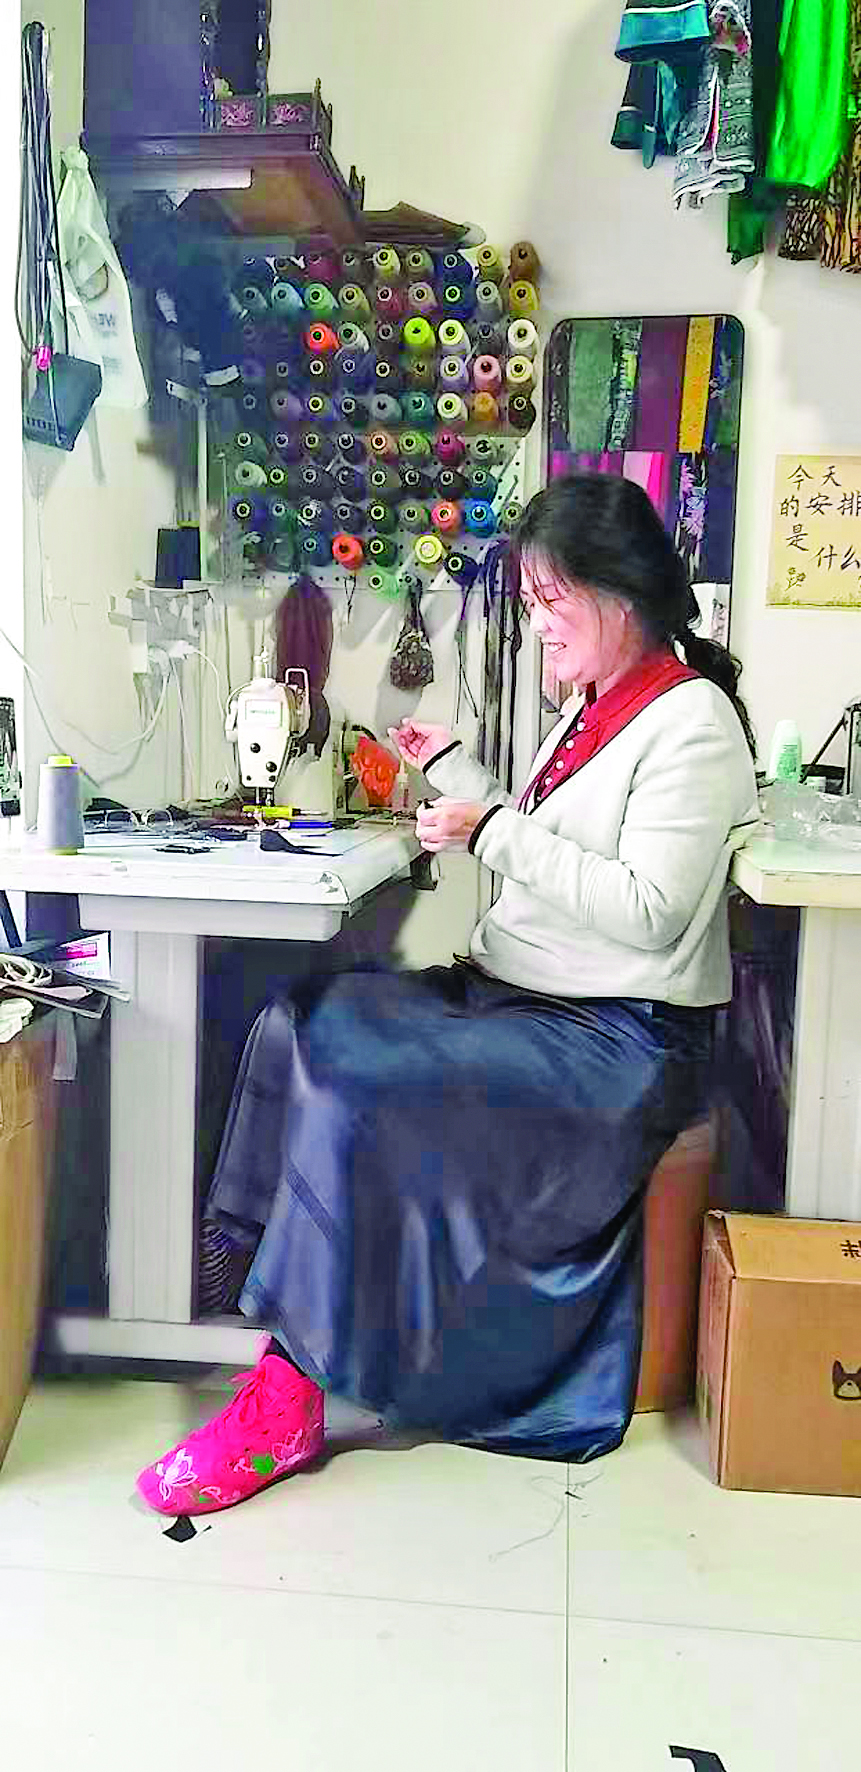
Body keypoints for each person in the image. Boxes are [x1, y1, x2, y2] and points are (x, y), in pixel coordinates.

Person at [138, 473, 759, 1517]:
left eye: (551, 600)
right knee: (301, 1020)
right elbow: (554, 841)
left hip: (617, 1038)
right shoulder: (598, 708)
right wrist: (464, 775)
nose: (537, 623)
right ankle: (244, 1270)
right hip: (529, 995)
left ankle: (288, 1394)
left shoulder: (690, 722)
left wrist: (491, 830)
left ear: (620, 595)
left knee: (359, 1079)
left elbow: (647, 910)